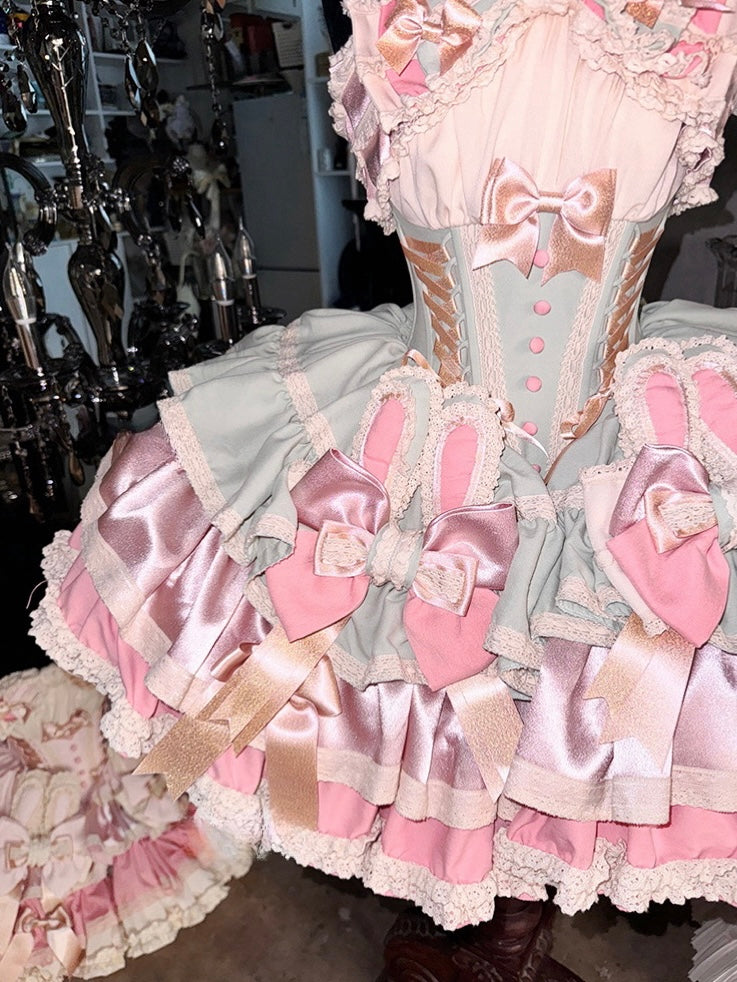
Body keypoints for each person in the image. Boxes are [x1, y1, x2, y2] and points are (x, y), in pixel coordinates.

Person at [31, 0, 737, 979]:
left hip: (621, 450)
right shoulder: (403, 20)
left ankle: (507, 930)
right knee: (411, 681)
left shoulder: (687, 22)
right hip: (424, 442)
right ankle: (463, 928)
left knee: (585, 695)